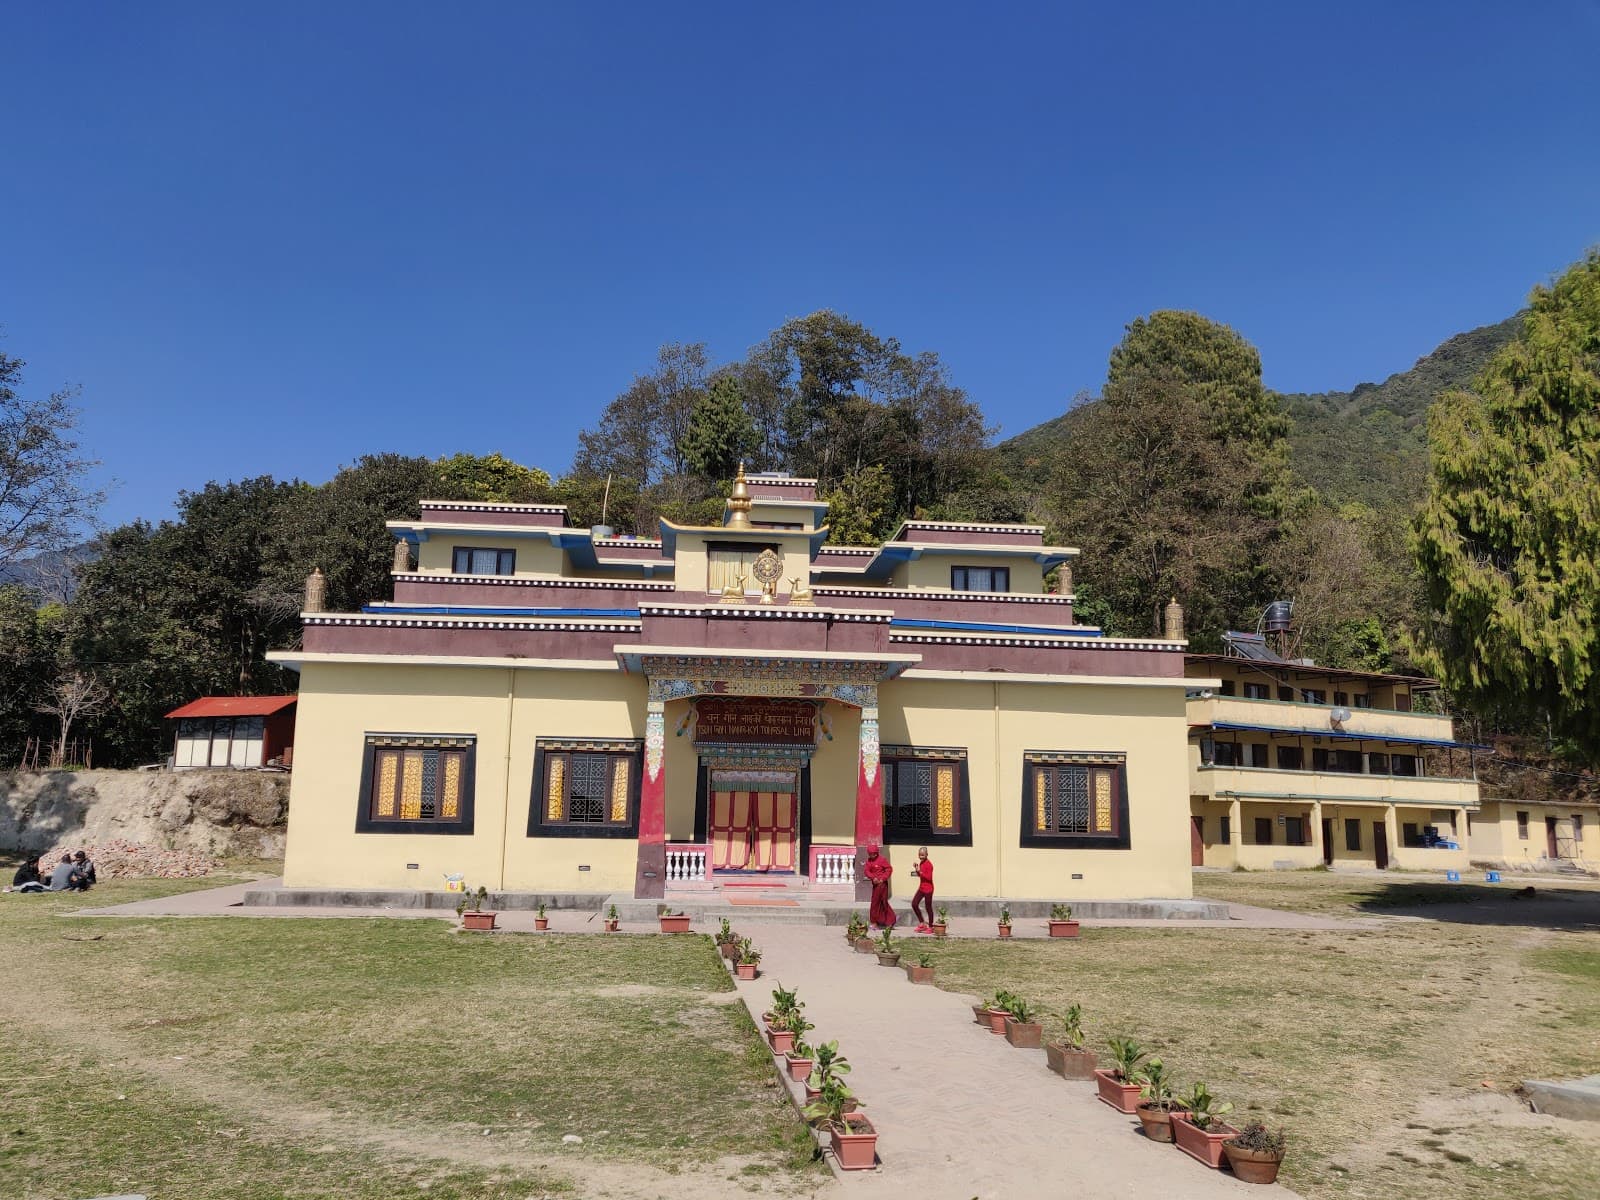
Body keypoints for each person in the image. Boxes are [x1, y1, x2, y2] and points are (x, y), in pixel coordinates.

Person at [863, 844, 896, 930]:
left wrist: (882, 878)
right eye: (870, 854)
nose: (872, 855)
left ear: (877, 853)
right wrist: (873, 877)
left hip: (882, 885)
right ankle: (887, 921)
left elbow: (889, 869)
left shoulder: (882, 860)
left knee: (881, 902)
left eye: (874, 854)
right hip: (875, 884)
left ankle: (877, 922)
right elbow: (866, 871)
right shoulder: (869, 861)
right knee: (876, 903)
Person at [911, 846, 935, 932]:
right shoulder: (921, 863)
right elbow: (920, 875)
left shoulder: (929, 864)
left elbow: (929, 877)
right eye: (919, 855)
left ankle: (931, 926)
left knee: (928, 907)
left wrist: (920, 872)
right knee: (914, 904)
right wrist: (916, 869)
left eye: (922, 855)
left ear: (927, 854)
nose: (921, 857)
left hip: (928, 889)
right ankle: (922, 923)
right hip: (922, 888)